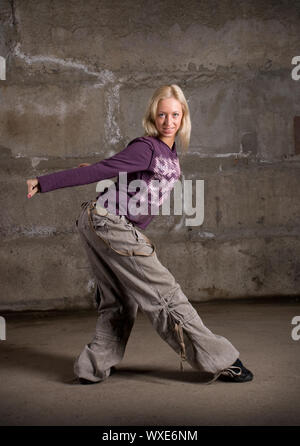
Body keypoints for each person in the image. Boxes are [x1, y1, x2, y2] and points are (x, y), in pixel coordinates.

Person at [26, 84, 253, 384]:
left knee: (120, 301)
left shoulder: (169, 156)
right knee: (166, 294)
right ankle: (222, 360)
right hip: (109, 223)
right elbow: (102, 170)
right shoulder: (147, 147)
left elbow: (122, 176)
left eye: (174, 114)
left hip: (101, 222)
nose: (168, 121)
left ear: (183, 117)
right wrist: (44, 182)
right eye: (162, 114)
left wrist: (100, 170)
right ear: (153, 117)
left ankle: (92, 367)